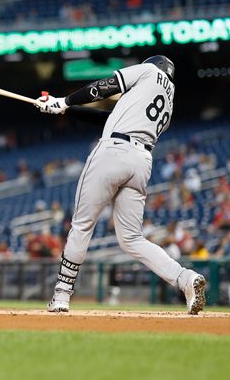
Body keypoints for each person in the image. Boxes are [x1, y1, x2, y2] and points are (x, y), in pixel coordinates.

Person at [34, 55, 206, 314]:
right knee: (132, 238)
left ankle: (61, 295)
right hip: (141, 162)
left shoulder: (148, 70)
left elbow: (107, 85)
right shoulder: (167, 105)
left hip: (113, 151)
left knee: (82, 224)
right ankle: (185, 279)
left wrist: (65, 100)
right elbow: (107, 118)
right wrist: (63, 107)